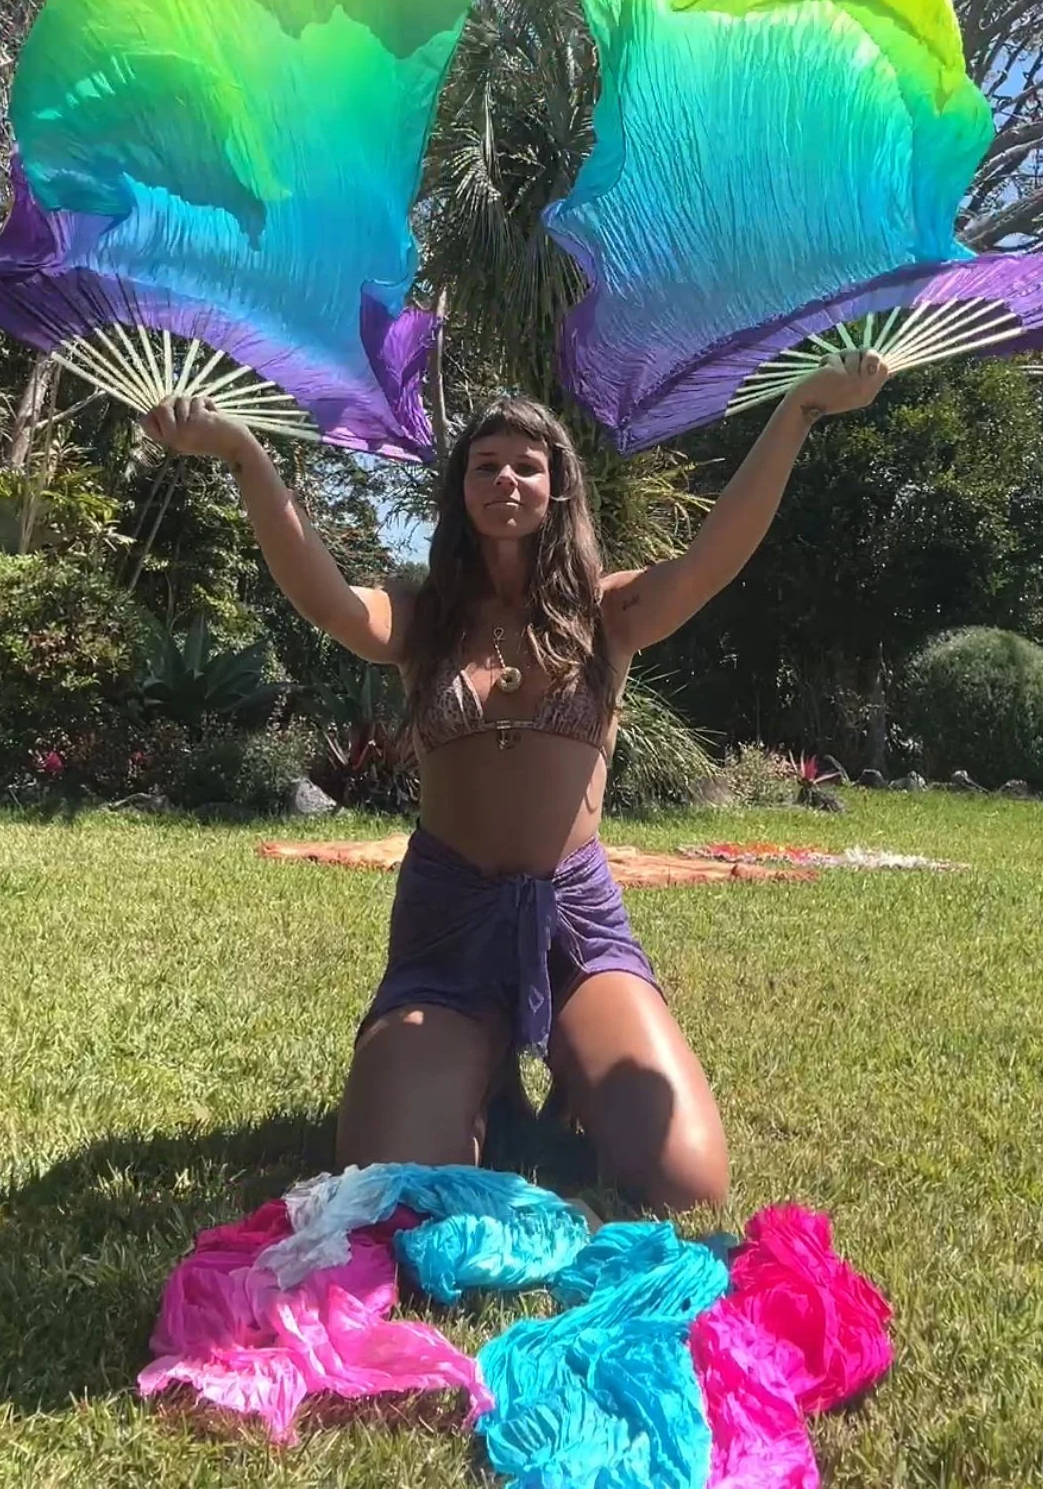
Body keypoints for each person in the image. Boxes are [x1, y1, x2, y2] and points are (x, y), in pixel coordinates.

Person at [144, 351, 886, 1213]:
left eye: (526, 465)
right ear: (461, 489)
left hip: (575, 918)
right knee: (400, 1186)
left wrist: (798, 409)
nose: (505, 478)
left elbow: (711, 559)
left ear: (556, 486)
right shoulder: (420, 615)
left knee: (685, 1182)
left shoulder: (607, 614)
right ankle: (484, 1066)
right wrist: (244, 454)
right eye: (486, 464)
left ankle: (570, 1072)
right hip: (446, 925)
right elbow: (327, 599)